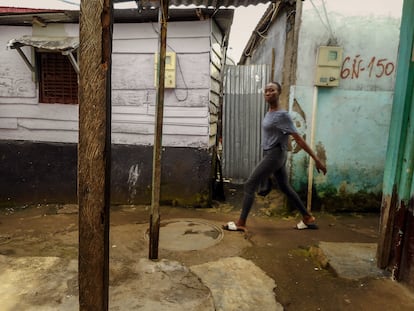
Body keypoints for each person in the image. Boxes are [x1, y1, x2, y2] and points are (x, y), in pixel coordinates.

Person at [224, 81, 327, 231]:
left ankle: (241, 223)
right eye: (266, 90)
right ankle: (307, 217)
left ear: (278, 92)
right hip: (273, 154)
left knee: (250, 185)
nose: (268, 93)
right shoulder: (270, 112)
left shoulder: (282, 115)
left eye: (272, 90)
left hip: (275, 155)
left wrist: (316, 159)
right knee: (285, 187)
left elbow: (298, 139)